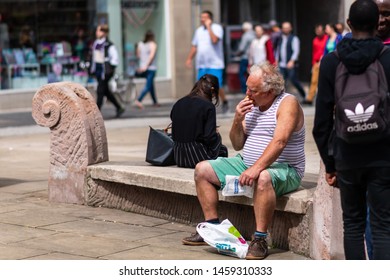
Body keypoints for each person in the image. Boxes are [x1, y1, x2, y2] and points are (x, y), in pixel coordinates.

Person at [182, 62, 305, 260]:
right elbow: (237, 143)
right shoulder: (253, 105)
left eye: (253, 90)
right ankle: (213, 227)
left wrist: (256, 168)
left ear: (270, 90)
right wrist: (238, 119)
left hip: (284, 168)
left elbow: (280, 141)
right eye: (247, 87)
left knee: (263, 178)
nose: (247, 93)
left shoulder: (287, 103)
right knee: (202, 169)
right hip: (246, 162)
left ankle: (260, 239)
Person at [313, 0, 390, 259]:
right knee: (382, 227)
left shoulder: (331, 62)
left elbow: (321, 122)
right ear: (377, 23)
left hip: (347, 156)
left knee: (353, 226)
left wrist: (331, 163)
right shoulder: (387, 58)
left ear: (348, 24)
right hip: (383, 155)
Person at [170, 74, 228, 168]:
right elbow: (209, 137)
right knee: (223, 150)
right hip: (197, 157)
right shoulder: (208, 106)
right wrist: (215, 133)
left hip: (179, 156)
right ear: (213, 91)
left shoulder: (179, 102)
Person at [185, 10, 229, 113]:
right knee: (200, 86)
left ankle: (225, 101)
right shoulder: (198, 31)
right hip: (202, 64)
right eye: (201, 17)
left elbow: (214, 40)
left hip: (215, 64)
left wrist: (209, 27)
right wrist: (189, 59)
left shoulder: (217, 28)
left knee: (217, 86)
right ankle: (202, 106)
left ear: (210, 19)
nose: (202, 19)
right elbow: (194, 46)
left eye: (205, 17)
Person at [90, 24, 124, 117]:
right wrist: (93, 69)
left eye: (99, 31)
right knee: (105, 91)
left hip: (106, 71)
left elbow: (115, 58)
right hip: (98, 70)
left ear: (104, 32)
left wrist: (110, 68)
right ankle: (119, 107)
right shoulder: (96, 43)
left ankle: (96, 112)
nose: (97, 33)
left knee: (100, 90)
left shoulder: (109, 44)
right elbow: (94, 57)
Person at [275, 21, 307, 101]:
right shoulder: (280, 39)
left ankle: (304, 95)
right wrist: (276, 59)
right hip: (282, 64)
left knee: (294, 80)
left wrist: (292, 61)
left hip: (290, 64)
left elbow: (296, 51)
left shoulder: (294, 38)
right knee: (282, 82)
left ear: (290, 29)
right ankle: (281, 99)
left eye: (287, 28)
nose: (285, 29)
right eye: (284, 28)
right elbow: (278, 50)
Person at [303, 24, 328, 105]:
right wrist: (313, 63)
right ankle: (310, 99)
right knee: (314, 81)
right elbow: (314, 52)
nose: (318, 32)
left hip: (324, 62)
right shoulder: (315, 40)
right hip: (316, 63)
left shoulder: (327, 39)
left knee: (325, 82)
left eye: (320, 30)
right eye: (317, 31)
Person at [134, 30, 159, 109]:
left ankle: (155, 102)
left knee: (151, 85)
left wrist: (142, 65)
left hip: (142, 67)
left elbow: (138, 55)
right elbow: (151, 56)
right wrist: (146, 65)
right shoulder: (153, 44)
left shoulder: (140, 44)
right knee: (148, 85)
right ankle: (139, 100)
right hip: (150, 68)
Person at [236, 21, 255, 93]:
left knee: (242, 74)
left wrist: (236, 54)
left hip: (245, 57)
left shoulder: (246, 35)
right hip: (253, 58)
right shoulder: (255, 34)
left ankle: (245, 89)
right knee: (251, 73)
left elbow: (241, 48)